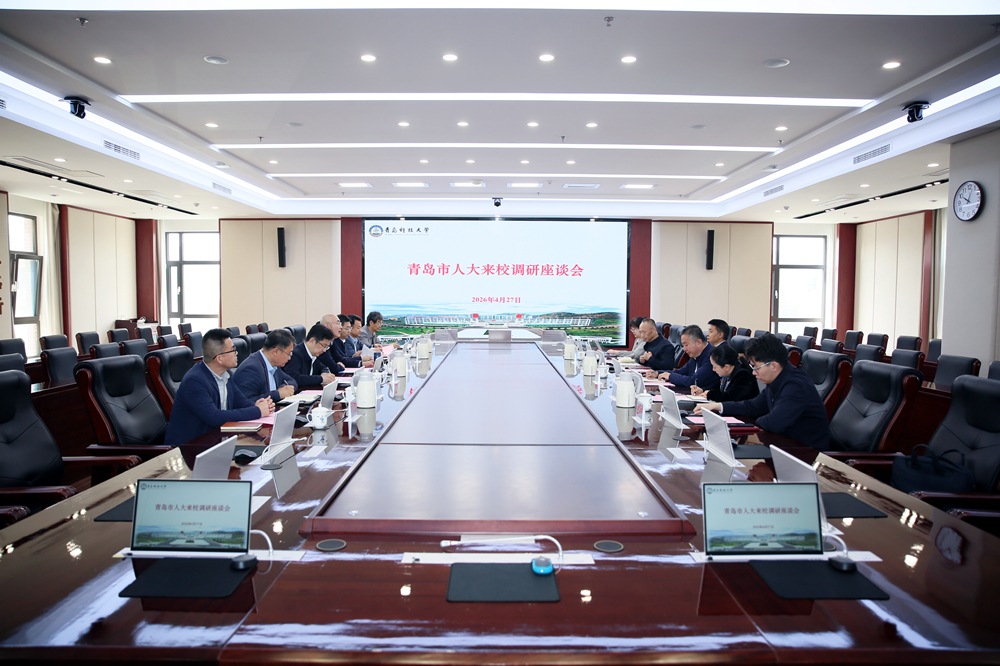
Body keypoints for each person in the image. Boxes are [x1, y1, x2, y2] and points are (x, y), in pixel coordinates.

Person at [694, 333, 830, 451]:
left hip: (805, 452)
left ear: (774, 366)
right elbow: (753, 406)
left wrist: (755, 422)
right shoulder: (778, 380)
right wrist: (718, 406)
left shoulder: (795, 385)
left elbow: (774, 423)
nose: (753, 373)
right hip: (783, 445)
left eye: (756, 367)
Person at [164, 328, 273, 447]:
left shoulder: (225, 374)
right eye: (233, 350)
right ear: (219, 358)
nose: (236, 353)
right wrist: (257, 411)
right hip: (190, 448)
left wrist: (259, 405)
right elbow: (215, 417)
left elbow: (241, 402)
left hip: (218, 441)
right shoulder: (194, 381)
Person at [232, 328, 299, 402]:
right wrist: (278, 394)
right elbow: (246, 401)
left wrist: (284, 388)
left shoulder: (274, 364)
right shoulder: (251, 369)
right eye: (288, 354)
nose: (289, 358)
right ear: (276, 352)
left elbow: (291, 381)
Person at [653, 324, 718, 390]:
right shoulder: (696, 355)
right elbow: (681, 372)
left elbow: (694, 381)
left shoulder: (712, 356)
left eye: (686, 345)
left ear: (698, 342)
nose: (684, 349)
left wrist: (670, 376)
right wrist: (658, 373)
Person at [691, 343, 758, 402]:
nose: (713, 369)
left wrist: (709, 395)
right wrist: (702, 390)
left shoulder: (743, 376)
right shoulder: (728, 373)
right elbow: (717, 388)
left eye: (715, 367)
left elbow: (729, 398)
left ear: (726, 367)